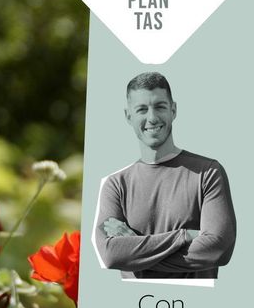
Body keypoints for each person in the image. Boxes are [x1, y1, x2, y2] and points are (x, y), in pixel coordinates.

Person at [93, 72, 236, 279]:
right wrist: (184, 236)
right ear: (128, 116)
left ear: (173, 110)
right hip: (133, 306)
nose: (152, 118)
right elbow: (111, 255)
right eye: (141, 109)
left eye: (159, 106)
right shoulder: (116, 184)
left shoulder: (208, 172)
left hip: (196, 306)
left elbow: (219, 250)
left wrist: (135, 250)